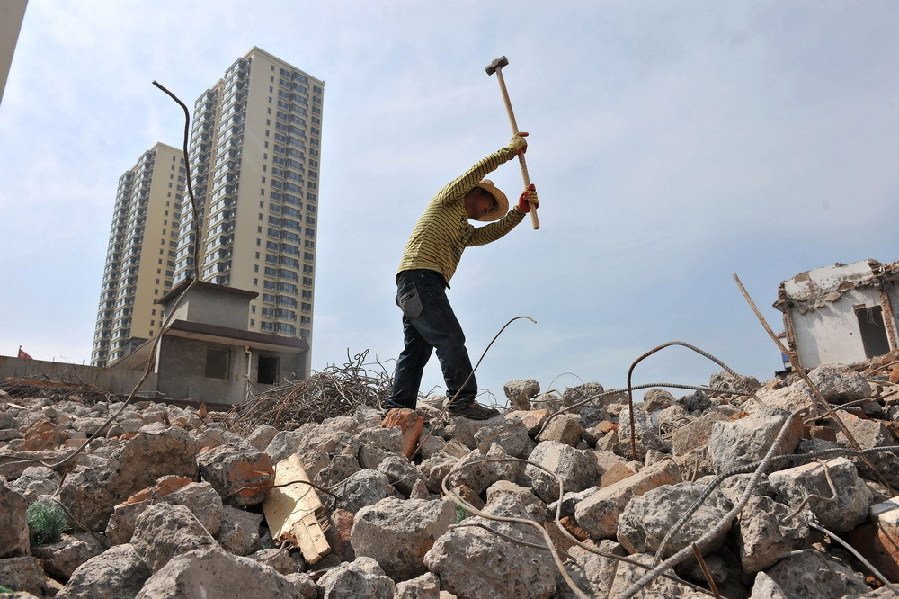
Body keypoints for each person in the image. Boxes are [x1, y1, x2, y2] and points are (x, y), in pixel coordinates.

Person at [384, 133, 539, 420]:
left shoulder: (464, 229)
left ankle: (398, 407)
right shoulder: (448, 200)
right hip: (421, 277)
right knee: (450, 337)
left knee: (416, 350)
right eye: (488, 203)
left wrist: (519, 211)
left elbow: (490, 233)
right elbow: (476, 171)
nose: (488, 210)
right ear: (476, 192)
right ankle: (462, 400)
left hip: (414, 283)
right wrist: (509, 151)